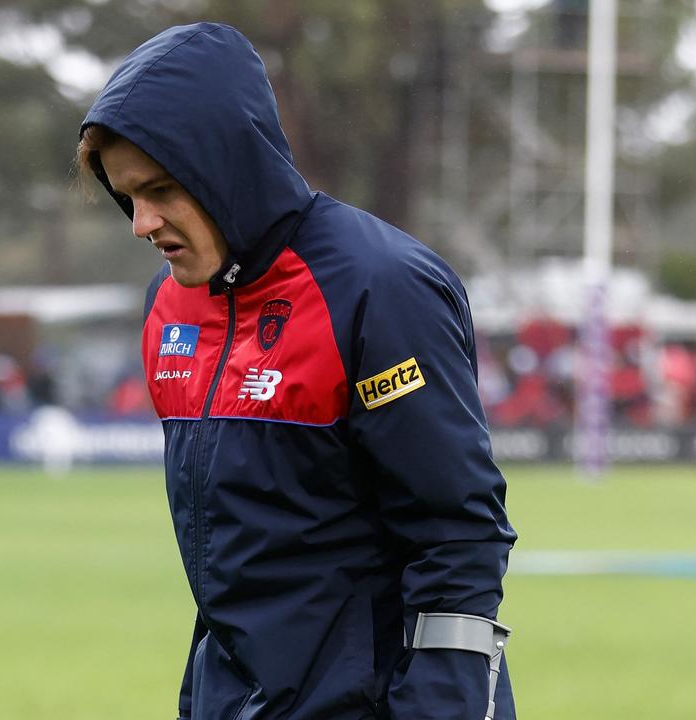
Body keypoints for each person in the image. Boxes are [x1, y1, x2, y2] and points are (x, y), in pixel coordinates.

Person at [76, 23, 517, 720]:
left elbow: (456, 536)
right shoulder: (167, 308)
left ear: (227, 165)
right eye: (128, 195)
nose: (142, 222)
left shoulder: (380, 286)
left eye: (160, 189)